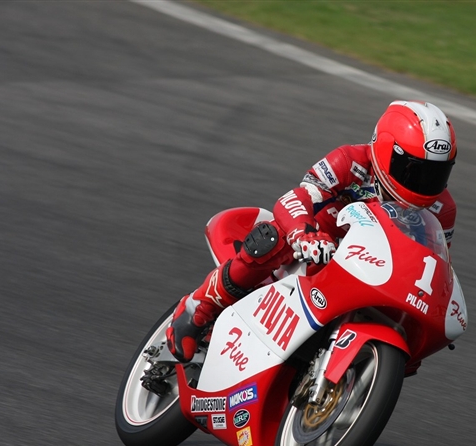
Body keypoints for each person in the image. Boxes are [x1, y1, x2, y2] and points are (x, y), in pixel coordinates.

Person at [167, 100, 459, 362]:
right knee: (271, 238)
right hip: (319, 247)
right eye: (414, 171)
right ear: (385, 151)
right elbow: (296, 197)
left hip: (375, 268)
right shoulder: (351, 161)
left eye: (436, 174)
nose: (425, 184)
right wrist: (303, 235)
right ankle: (198, 308)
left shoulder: (443, 209)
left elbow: (433, 262)